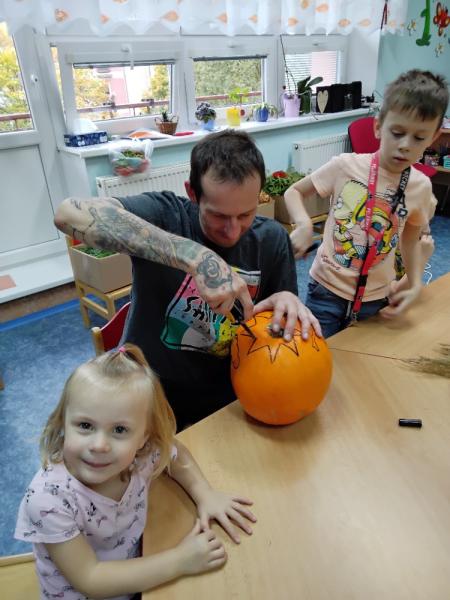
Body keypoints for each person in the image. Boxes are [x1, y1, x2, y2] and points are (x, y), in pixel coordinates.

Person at [55, 129, 321, 429]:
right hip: (148, 396)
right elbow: (68, 214)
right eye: (219, 216)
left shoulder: (272, 239)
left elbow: (274, 331)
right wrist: (195, 256)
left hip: (231, 397)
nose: (233, 230)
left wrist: (285, 299)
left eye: (246, 214)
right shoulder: (166, 215)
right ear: (192, 193)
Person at [15, 344, 257, 600]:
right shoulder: (48, 500)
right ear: (63, 423)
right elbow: (91, 578)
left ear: (144, 438)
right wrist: (180, 560)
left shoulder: (141, 455)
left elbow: (174, 452)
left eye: (119, 430)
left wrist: (204, 494)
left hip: (140, 574)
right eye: (85, 425)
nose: (99, 445)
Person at [284, 69, 448, 338]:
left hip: (375, 298)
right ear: (378, 126)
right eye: (397, 132)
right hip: (326, 290)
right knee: (318, 354)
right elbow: (294, 192)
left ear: (433, 138)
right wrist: (303, 224)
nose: (405, 145)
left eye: (419, 138)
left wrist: (415, 282)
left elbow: (410, 239)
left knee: (361, 358)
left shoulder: (420, 187)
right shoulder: (345, 166)